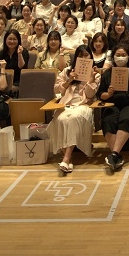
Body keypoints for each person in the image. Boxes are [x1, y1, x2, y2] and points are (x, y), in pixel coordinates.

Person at [48, 45, 100, 173]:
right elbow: (56, 89)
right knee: (60, 118)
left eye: (86, 55)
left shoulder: (95, 74)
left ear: (90, 57)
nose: (83, 58)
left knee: (74, 117)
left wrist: (91, 78)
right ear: (76, 57)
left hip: (83, 105)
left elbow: (90, 95)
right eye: (80, 56)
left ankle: (66, 158)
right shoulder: (66, 71)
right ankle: (68, 159)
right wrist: (69, 80)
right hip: (66, 103)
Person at [97, 44, 129, 171]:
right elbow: (101, 95)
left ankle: (114, 154)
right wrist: (109, 94)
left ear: (128, 57)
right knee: (108, 120)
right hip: (112, 103)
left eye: (123, 55)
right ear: (113, 57)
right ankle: (116, 154)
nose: (120, 57)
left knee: (127, 118)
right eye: (118, 55)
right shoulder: (107, 73)